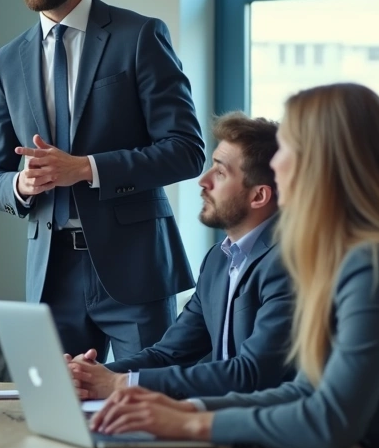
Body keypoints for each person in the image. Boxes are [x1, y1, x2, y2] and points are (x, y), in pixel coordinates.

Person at [91, 84, 379, 448]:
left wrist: (191, 422)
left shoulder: (377, 264)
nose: (277, 166)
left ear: (320, 164)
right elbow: (305, 390)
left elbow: (328, 419)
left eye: (285, 148)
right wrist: (185, 407)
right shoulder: (350, 255)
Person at [0, 0, 205, 360]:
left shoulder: (139, 36)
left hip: (134, 268)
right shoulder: (7, 60)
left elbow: (186, 150)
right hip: (51, 273)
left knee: (147, 406)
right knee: (57, 416)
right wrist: (19, 184)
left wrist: (86, 168)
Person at [65, 113, 294, 400]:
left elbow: (251, 373)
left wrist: (118, 384)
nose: (203, 180)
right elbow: (168, 354)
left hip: (264, 429)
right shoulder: (218, 259)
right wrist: (87, 375)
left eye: (220, 173)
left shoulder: (289, 264)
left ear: (259, 196)